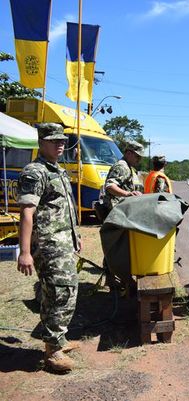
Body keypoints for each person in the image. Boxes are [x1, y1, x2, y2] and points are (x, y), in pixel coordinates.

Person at [17, 123, 81, 373]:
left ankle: (57, 340)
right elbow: (27, 213)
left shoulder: (56, 170)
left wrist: (76, 236)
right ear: (41, 142)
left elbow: (63, 208)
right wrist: (24, 252)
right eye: (54, 140)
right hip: (48, 245)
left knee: (56, 293)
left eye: (62, 140)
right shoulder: (35, 172)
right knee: (61, 293)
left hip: (63, 242)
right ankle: (53, 352)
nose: (60, 144)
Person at [102, 139, 145, 211]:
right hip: (115, 211)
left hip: (120, 210)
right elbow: (110, 186)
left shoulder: (127, 166)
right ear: (128, 153)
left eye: (140, 157)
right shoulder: (122, 166)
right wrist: (128, 194)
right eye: (137, 156)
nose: (139, 160)